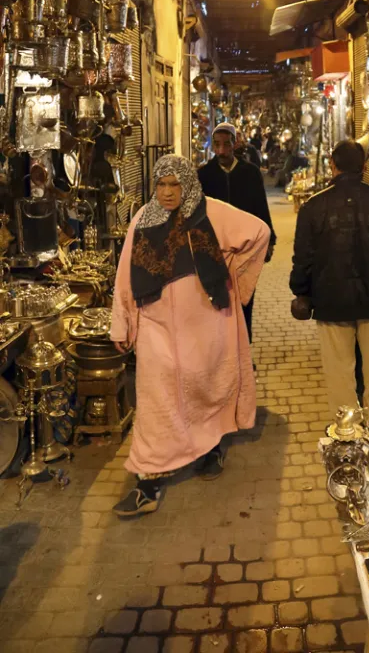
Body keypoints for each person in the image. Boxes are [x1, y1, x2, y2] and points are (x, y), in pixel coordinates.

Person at [109, 155, 269, 518]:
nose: (167, 193)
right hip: (156, 327)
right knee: (155, 402)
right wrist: (123, 324)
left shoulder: (211, 212)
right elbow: (125, 278)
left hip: (207, 325)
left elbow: (259, 232)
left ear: (188, 185)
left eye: (175, 185)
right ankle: (147, 482)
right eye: (161, 185)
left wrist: (232, 274)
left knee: (207, 389)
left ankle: (210, 448)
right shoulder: (143, 220)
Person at [290, 139, 369, 425]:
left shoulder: (314, 206)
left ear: (332, 165)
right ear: (365, 166)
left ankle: (347, 426)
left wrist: (301, 291)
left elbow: (302, 257)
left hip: (331, 298)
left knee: (339, 367)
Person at [198, 123, 276, 341]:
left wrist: (269, 241)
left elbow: (261, 206)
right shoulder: (204, 175)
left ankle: (243, 348)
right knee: (217, 299)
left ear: (235, 144)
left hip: (245, 246)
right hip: (215, 248)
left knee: (244, 297)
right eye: (217, 145)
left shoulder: (250, 173)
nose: (222, 151)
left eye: (226, 144)